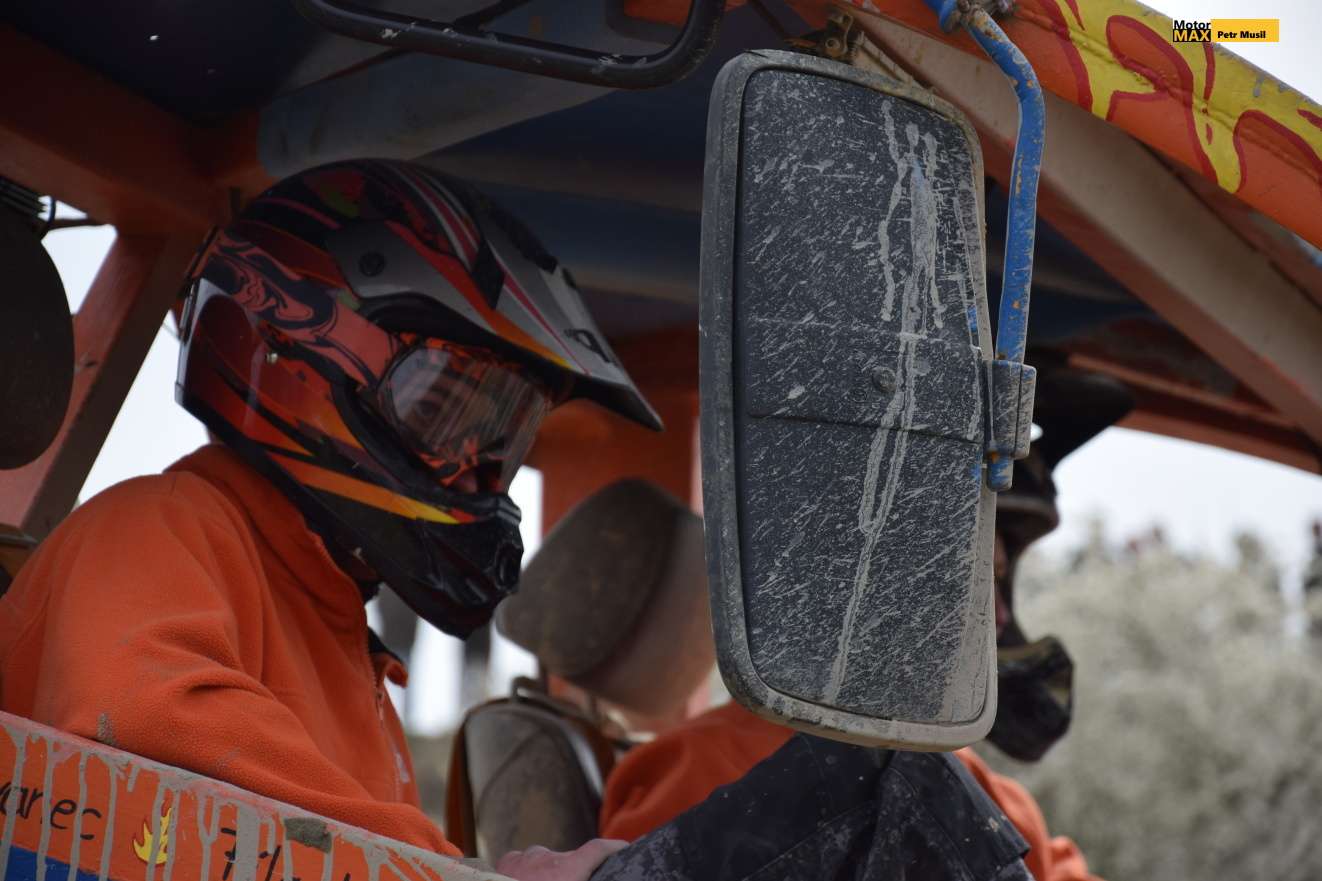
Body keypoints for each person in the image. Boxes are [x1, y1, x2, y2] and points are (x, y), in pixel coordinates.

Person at [0, 160, 1038, 881]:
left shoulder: (332, 616)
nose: (479, 467)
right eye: (452, 410)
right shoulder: (157, 532)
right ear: (303, 351)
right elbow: (152, 764)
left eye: (502, 435)